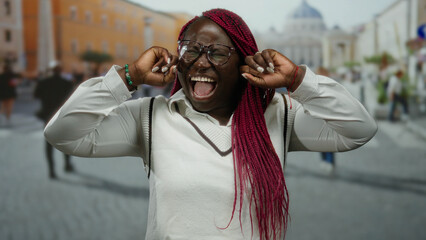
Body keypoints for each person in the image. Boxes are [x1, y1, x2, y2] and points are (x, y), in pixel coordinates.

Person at [44, 9, 377, 240]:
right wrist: (127, 77)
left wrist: (296, 78)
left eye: (218, 53)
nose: (201, 62)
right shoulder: (151, 116)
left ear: (245, 61)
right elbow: (63, 134)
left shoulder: (278, 115)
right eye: (190, 49)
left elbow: (358, 129)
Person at [35, 61, 75, 179]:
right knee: (66, 142)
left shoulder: (43, 83)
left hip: (48, 116)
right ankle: (67, 164)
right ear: (61, 70)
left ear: (51, 70)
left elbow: (36, 95)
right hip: (63, 116)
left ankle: (51, 170)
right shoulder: (67, 83)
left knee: (48, 144)